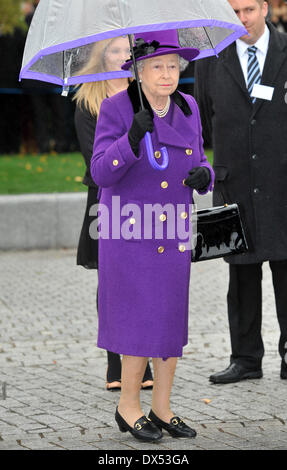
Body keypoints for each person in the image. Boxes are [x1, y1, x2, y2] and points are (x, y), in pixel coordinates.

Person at [90, 29, 214, 442]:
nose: (167, 74)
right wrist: (129, 139)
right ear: (139, 70)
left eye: (173, 66)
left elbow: (199, 159)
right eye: (157, 66)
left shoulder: (189, 106)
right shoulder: (116, 107)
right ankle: (128, 406)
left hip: (173, 231)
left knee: (168, 321)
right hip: (131, 233)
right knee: (136, 322)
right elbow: (101, 172)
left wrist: (204, 175)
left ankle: (161, 407)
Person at [194, 0, 287, 384]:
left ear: (265, 7)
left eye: (248, 9)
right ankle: (245, 358)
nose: (242, 19)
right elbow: (199, 122)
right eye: (233, 12)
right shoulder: (209, 59)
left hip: (282, 183)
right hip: (232, 185)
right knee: (240, 277)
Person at [74, 36, 153, 392]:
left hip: (146, 201)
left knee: (145, 281)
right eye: (115, 51)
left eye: (128, 52)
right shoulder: (87, 102)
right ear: (101, 56)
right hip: (106, 201)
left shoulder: (147, 93)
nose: (122, 57)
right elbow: (96, 161)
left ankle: (144, 362)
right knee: (112, 283)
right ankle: (115, 364)